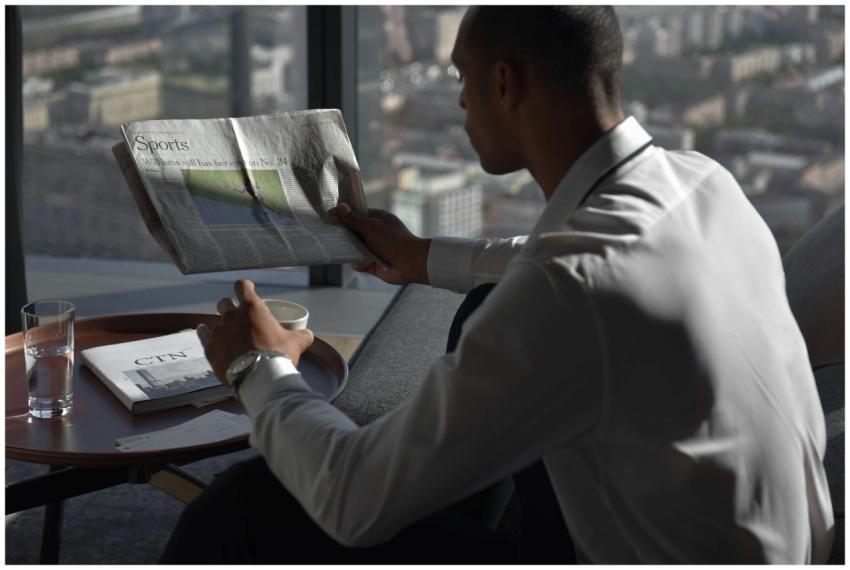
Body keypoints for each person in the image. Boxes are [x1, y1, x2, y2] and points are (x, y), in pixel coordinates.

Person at [161, 6, 834, 563]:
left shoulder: (573, 290)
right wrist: (421, 256)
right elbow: (555, 263)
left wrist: (258, 365)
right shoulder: (702, 181)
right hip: (760, 540)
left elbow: (349, 501)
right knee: (487, 303)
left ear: (505, 84)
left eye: (463, 78)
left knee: (249, 505)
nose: (458, 101)